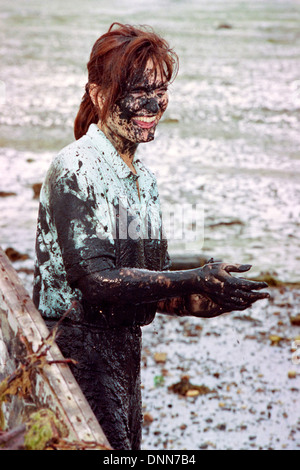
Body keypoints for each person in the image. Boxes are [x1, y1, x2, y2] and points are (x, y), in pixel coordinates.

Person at [33, 23, 269, 450]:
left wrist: (205, 299)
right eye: (136, 89)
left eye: (159, 89)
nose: (152, 103)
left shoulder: (145, 181)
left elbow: (148, 282)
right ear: (99, 94)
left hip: (125, 354)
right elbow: (96, 281)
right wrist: (193, 276)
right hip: (72, 355)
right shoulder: (75, 169)